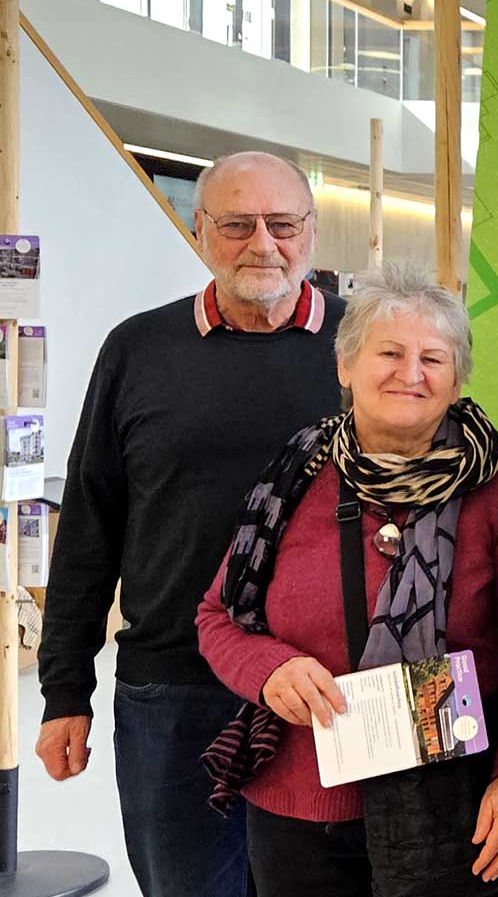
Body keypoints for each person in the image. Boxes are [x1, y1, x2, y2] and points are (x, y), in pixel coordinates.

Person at [34, 151, 345, 897]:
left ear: (311, 230)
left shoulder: (369, 350)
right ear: (199, 229)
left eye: (281, 223)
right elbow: (89, 525)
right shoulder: (138, 349)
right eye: (236, 224)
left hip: (327, 691)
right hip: (173, 690)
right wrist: (64, 689)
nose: (261, 244)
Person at [195, 265, 498, 896]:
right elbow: (218, 616)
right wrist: (269, 669)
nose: (411, 373)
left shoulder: (497, 486)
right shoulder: (295, 476)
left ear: (457, 379)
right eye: (389, 352)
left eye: (433, 358)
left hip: (454, 811)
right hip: (302, 812)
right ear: (344, 366)